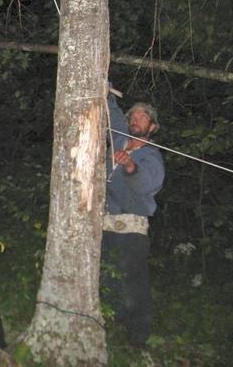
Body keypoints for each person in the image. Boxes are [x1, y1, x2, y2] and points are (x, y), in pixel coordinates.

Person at [102, 88, 165, 347]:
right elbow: (113, 114)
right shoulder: (119, 139)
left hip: (131, 228)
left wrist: (130, 166)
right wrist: (106, 90)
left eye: (142, 118)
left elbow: (148, 184)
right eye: (133, 117)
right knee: (106, 276)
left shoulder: (151, 155)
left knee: (133, 282)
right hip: (105, 223)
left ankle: (139, 337)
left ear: (152, 127)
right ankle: (114, 323)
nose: (135, 121)